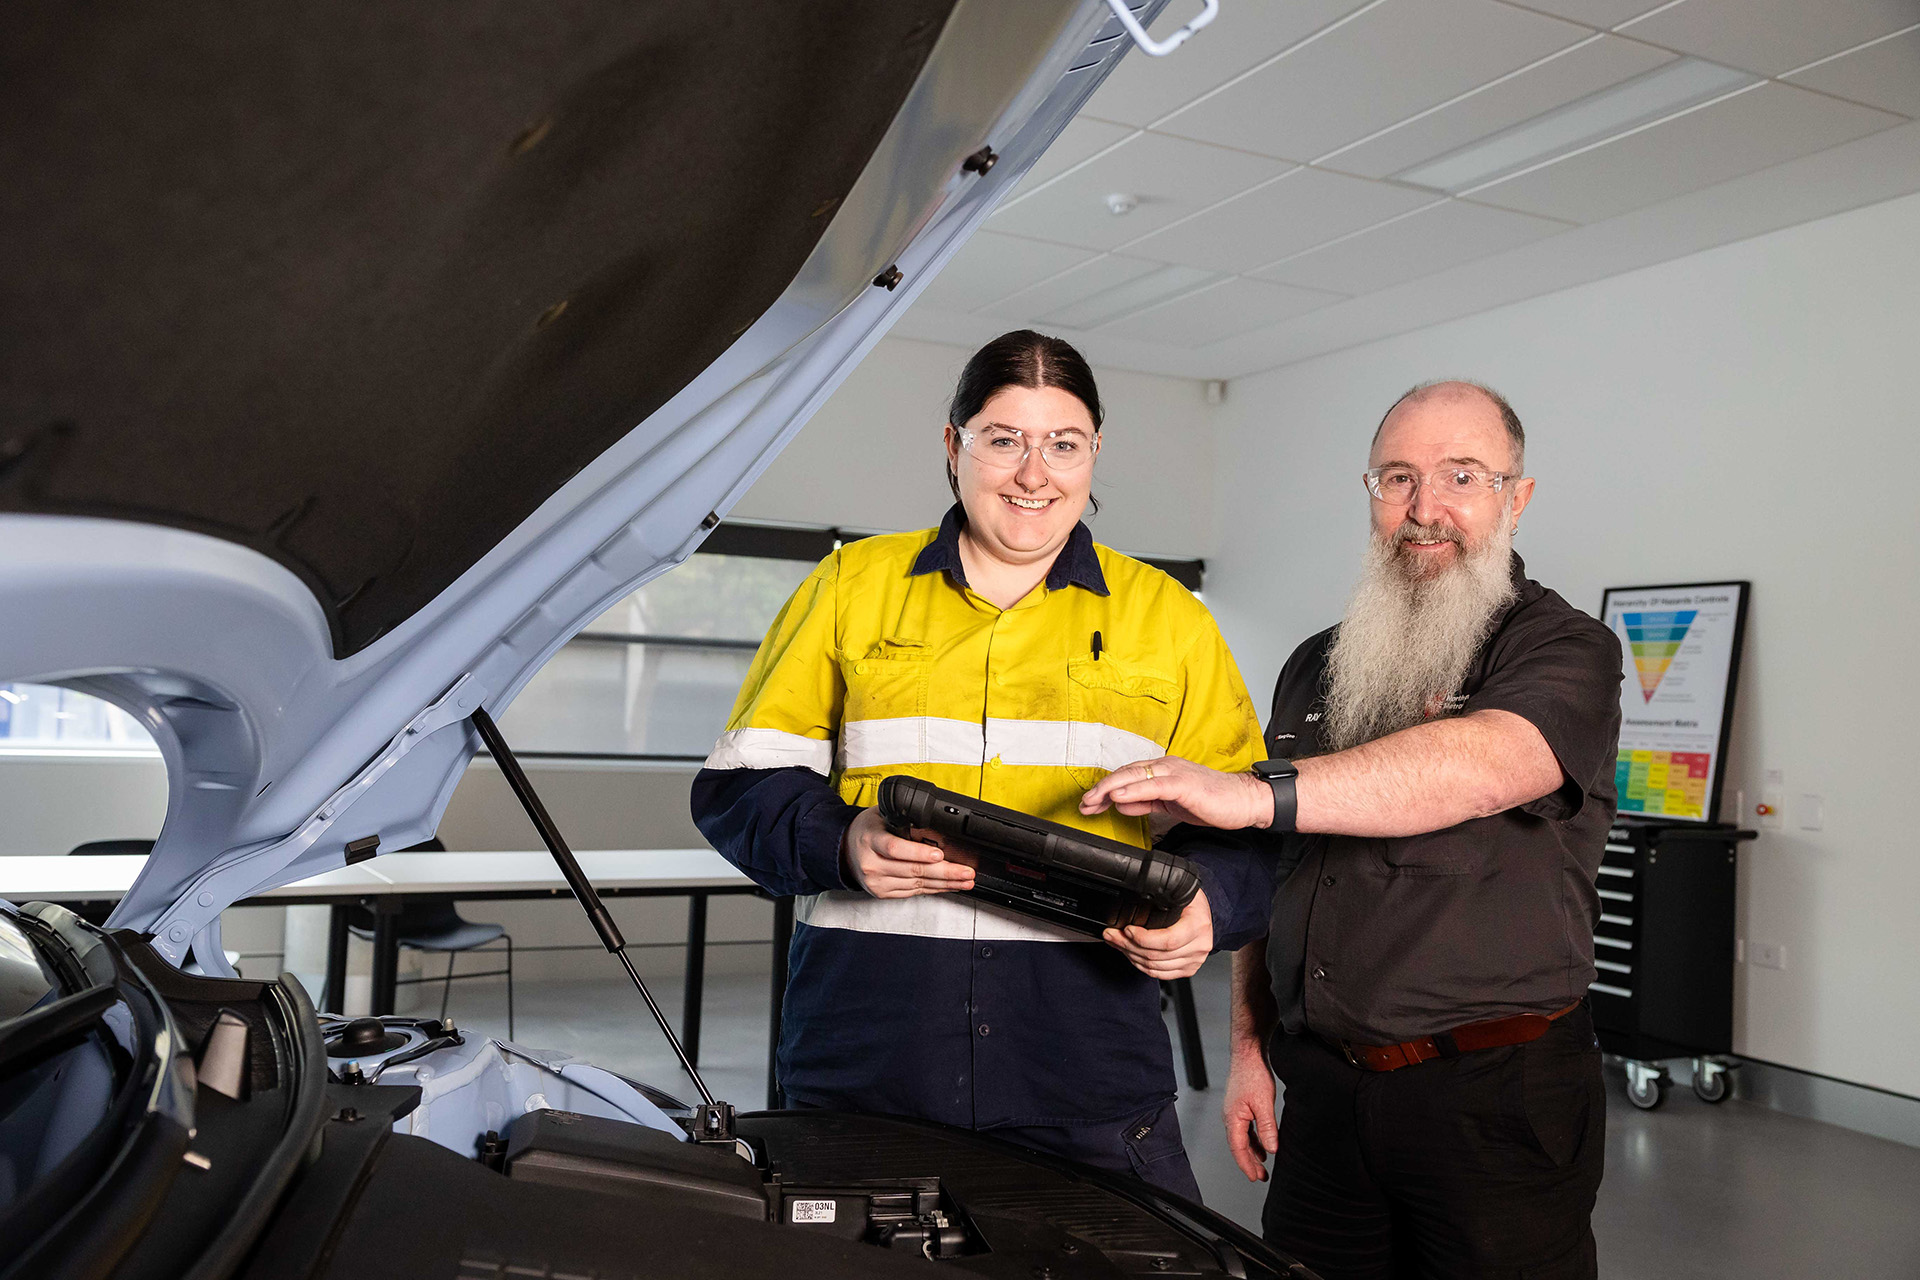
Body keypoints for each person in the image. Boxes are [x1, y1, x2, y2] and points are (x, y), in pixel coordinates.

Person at [691, 330, 1276, 1199]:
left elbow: (1251, 832)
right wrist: (844, 839)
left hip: (1085, 1069)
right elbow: (736, 793)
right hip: (871, 1058)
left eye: (1063, 444)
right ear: (954, 446)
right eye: (1003, 439)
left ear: (1094, 455)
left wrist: (1208, 910)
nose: (1034, 474)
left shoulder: (1172, 619)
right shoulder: (848, 587)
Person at [1080, 381, 1623, 1278]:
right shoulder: (1319, 663)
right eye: (1397, 478)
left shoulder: (1564, 649)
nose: (1425, 509)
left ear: (1516, 497)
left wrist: (1249, 792)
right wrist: (1250, 1052)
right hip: (1326, 1093)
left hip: (1496, 1100)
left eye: (1462, 476)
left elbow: (1481, 764)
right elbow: (1282, 866)